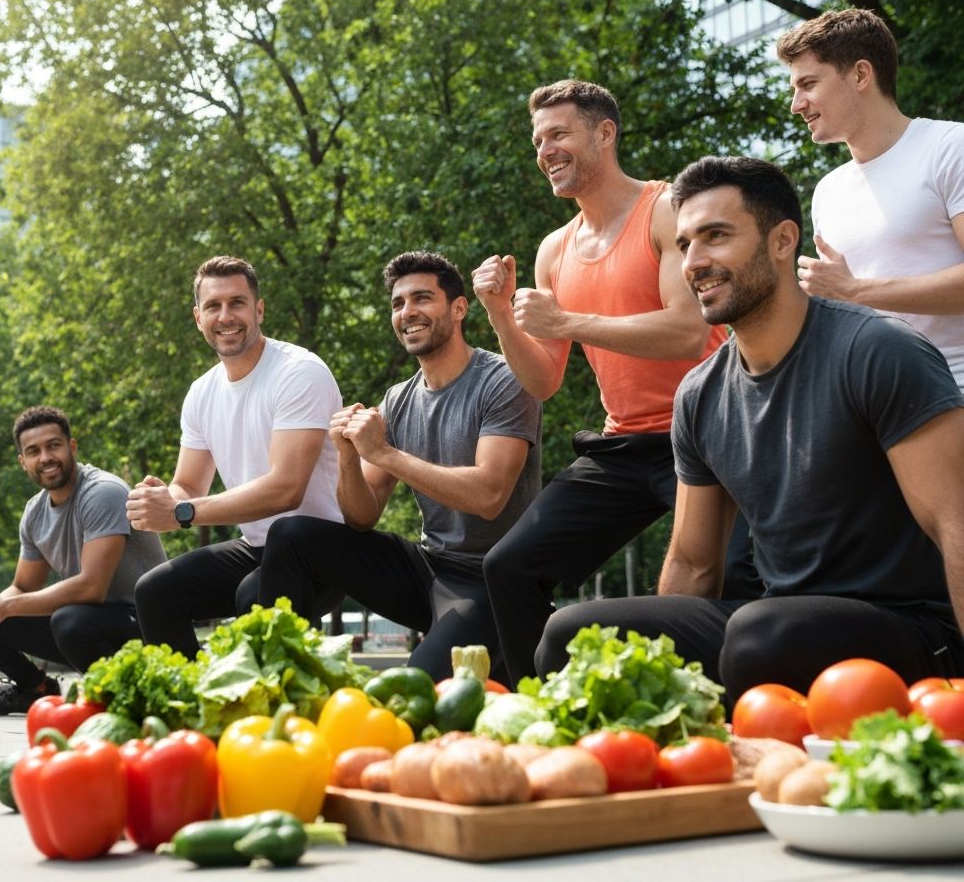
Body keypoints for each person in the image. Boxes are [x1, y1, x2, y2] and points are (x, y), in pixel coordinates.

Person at [535, 156, 964, 700]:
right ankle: (668, 773)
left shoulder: (879, 350)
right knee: (572, 637)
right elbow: (693, 564)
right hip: (778, 623)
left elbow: (958, 524)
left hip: (912, 630)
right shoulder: (700, 394)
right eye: (686, 243)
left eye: (716, 236)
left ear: (783, 241)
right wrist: (657, 678)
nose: (695, 261)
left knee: (760, 634)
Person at [471, 79, 757, 687]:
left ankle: (720, 716)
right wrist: (499, 313)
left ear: (605, 132)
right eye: (538, 139)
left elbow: (686, 331)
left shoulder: (666, 210)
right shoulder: (555, 250)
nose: (545, 149)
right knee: (510, 567)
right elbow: (544, 380)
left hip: (710, 430)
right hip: (625, 444)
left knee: (720, 586)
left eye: (558, 134)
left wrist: (568, 320)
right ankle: (546, 710)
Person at [259, 250, 542, 681]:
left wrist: (386, 453)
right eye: (398, 303)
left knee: (414, 687)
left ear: (459, 308)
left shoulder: (504, 379)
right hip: (428, 568)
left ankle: (500, 655)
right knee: (292, 534)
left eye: (422, 299)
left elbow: (488, 495)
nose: (407, 312)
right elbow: (361, 516)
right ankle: (280, 680)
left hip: (489, 578)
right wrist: (349, 457)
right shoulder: (398, 398)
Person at [127, 255, 342, 658]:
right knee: (154, 593)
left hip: (321, 549)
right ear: (198, 317)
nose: (226, 316)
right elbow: (188, 484)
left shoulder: (299, 371)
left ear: (258, 309)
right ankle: (191, 704)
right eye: (213, 306)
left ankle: (278, 707)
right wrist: (163, 498)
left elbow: (286, 489)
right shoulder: (202, 392)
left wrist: (183, 513)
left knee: (253, 591)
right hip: (258, 545)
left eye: (237, 303)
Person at [778, 7, 964, 389]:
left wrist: (854, 290)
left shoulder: (950, 147)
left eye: (808, 84)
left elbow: (851, 292)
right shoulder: (828, 192)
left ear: (861, 74)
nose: (796, 104)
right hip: (870, 410)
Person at [0, 406, 166, 715]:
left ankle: (121, 698)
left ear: (71, 447)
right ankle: (35, 689)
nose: (45, 457)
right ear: (23, 462)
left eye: (53, 445)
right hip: (86, 623)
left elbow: (92, 588)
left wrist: (5, 608)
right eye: (33, 451)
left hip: (144, 624)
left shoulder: (102, 492)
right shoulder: (35, 513)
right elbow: (23, 586)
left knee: (70, 621)